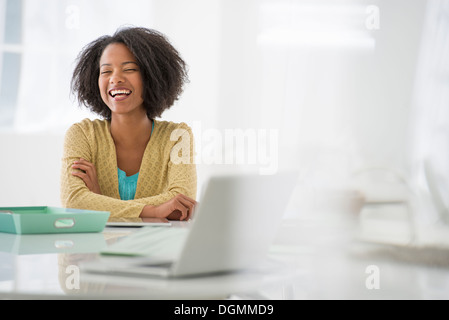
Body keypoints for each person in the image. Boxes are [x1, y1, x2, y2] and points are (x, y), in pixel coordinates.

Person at [60, 27, 197, 221]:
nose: (115, 79)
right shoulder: (82, 134)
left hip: (156, 250)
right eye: (106, 71)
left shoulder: (178, 136)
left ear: (151, 76)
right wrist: (155, 211)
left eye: (130, 69)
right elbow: (73, 202)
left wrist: (99, 202)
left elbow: (181, 205)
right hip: (94, 250)